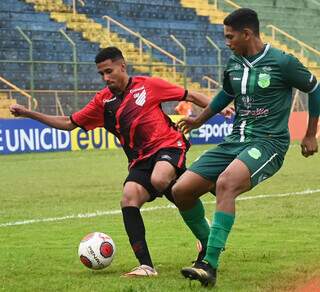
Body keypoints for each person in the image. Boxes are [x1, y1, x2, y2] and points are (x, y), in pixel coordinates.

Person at [9, 47, 233, 277]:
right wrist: (29, 113)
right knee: (129, 197)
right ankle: (146, 266)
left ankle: (206, 233)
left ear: (122, 66)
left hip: (168, 145)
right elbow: (68, 122)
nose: (106, 78)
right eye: (101, 74)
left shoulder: (148, 85)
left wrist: (218, 108)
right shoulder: (103, 102)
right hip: (139, 160)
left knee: (161, 178)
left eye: (109, 71)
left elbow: (190, 95)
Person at [171, 8, 320, 287]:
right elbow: (225, 94)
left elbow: (315, 88)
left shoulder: (282, 62)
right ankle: (208, 243)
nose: (226, 42)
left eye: (230, 37)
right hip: (234, 141)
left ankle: (209, 264)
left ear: (247, 34)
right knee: (181, 190)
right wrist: (198, 121)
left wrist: (311, 134)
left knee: (226, 183)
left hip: (268, 143)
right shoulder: (234, 63)